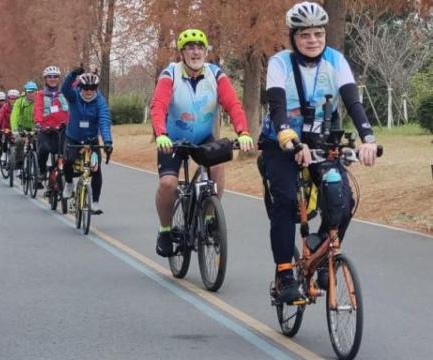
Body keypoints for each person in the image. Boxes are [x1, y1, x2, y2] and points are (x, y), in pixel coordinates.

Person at [259, 2, 378, 303]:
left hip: (321, 141)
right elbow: (276, 104)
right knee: (286, 200)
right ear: (293, 37)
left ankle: (325, 252)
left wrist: (368, 138)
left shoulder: (336, 60)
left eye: (318, 33)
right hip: (280, 142)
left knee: (344, 198)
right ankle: (285, 272)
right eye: (305, 35)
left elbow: (352, 102)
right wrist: (287, 135)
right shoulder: (280, 63)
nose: (312, 40)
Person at [150, 28, 254, 257]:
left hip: (203, 137)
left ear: (206, 52)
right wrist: (161, 134)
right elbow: (158, 105)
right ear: (182, 53)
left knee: (217, 167)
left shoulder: (215, 75)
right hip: (173, 139)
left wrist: (243, 131)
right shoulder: (171, 74)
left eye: (200, 47)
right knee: (168, 183)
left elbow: (233, 104)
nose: (195, 52)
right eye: (190, 47)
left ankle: (209, 216)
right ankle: (165, 230)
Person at [61, 66, 113, 215]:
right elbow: (65, 89)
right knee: (68, 161)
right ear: (81, 87)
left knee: (96, 170)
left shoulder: (100, 101)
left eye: (92, 88)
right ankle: (69, 184)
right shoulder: (74, 96)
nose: (89, 91)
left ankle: (95, 202)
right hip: (73, 137)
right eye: (86, 88)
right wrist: (73, 74)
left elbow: (104, 121)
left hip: (91, 141)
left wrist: (108, 142)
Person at [34, 66, 69, 189]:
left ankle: (62, 175)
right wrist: (39, 122)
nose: (53, 79)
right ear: (45, 79)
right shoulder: (40, 95)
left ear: (59, 78)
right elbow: (38, 109)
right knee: (43, 150)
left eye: (55, 76)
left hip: (63, 128)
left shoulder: (65, 92)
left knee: (67, 153)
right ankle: (42, 171)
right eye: (50, 76)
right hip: (47, 128)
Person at [10, 81, 37, 171]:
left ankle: (37, 167)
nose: (31, 93)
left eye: (33, 91)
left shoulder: (39, 101)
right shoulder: (19, 102)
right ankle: (19, 161)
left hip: (35, 127)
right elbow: (14, 115)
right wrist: (14, 129)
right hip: (22, 127)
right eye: (29, 91)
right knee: (19, 142)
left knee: (39, 144)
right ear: (25, 92)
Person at [0, 89, 20, 165]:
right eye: (11, 98)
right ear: (8, 99)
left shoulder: (20, 107)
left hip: (17, 128)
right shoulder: (4, 107)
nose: (12, 100)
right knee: (4, 140)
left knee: (19, 143)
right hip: (6, 128)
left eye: (14, 99)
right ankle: (3, 155)